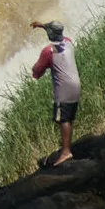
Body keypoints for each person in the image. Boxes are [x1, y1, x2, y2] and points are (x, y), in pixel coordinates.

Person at [30, 20, 80, 166]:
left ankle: (65, 152)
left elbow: (38, 69)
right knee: (68, 118)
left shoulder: (48, 51)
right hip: (76, 86)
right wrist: (42, 26)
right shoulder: (69, 42)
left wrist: (35, 75)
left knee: (63, 119)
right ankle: (67, 148)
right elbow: (55, 31)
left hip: (63, 89)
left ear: (50, 34)